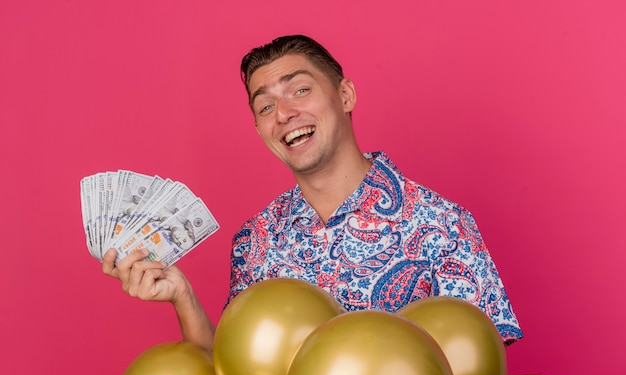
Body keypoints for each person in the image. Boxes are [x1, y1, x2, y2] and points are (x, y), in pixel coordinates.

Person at [102, 34, 522, 350]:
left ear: (345, 95)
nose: (284, 113)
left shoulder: (443, 225)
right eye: (265, 106)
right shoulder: (255, 243)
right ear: (260, 130)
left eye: (300, 90)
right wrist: (183, 298)